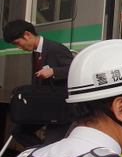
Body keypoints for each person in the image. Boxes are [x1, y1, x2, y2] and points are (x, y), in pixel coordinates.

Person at [2, 19, 74, 148]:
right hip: (45, 107)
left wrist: (53, 71)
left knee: (51, 144)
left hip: (60, 108)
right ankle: (41, 153)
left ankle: (46, 154)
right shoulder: (36, 52)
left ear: (27, 35)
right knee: (17, 131)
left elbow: (75, 70)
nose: (19, 47)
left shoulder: (55, 48)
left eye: (18, 43)